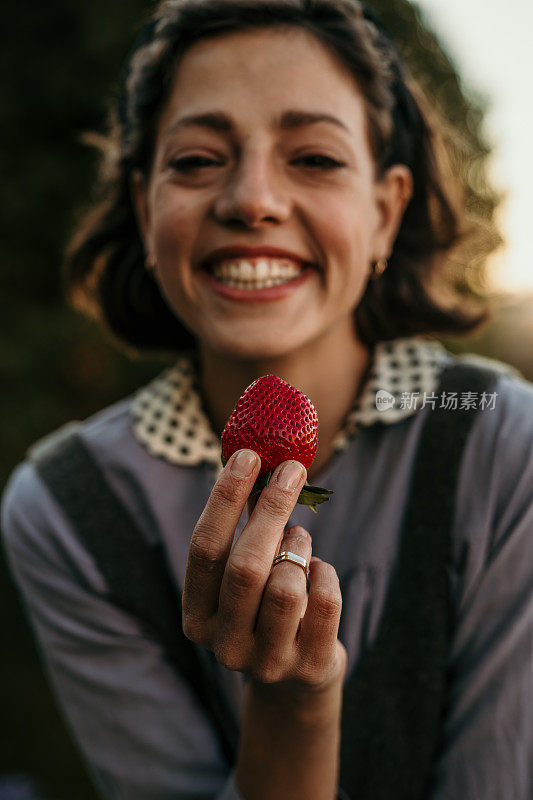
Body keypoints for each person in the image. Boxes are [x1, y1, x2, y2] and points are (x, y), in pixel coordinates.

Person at [2, 1, 533, 798]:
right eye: (195, 160)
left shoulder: (501, 439)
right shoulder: (67, 511)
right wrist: (290, 707)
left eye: (314, 157)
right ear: (146, 212)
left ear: (384, 213)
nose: (251, 199)